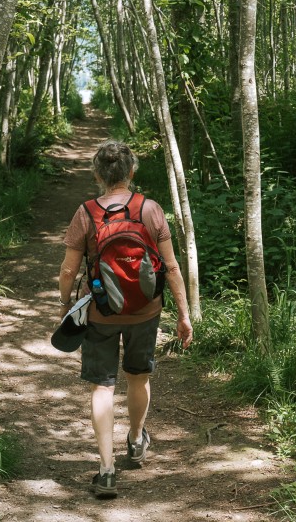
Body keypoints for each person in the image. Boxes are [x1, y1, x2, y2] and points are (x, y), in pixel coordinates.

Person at [57, 140, 194, 499]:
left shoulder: (86, 213)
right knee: (138, 377)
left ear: (97, 174)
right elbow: (172, 266)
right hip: (146, 311)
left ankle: (105, 470)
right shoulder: (150, 209)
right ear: (132, 171)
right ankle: (136, 439)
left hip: (101, 311)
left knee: (102, 387)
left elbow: (69, 269)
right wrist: (184, 313)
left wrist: (65, 304)